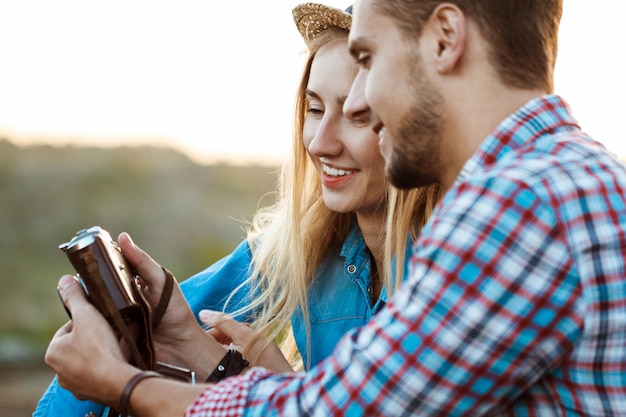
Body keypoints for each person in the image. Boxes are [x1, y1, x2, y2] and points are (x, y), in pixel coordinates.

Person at [45, 0, 626, 415]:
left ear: (446, 38)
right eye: (318, 106)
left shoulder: (522, 205)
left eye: (368, 59)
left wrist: (121, 385)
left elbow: (337, 408)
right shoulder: (571, 178)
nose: (366, 100)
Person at [34, 3, 442, 417]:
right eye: (315, 109)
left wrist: (276, 382)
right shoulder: (298, 248)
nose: (320, 143)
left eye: (358, 116)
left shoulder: (454, 274)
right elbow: (169, 324)